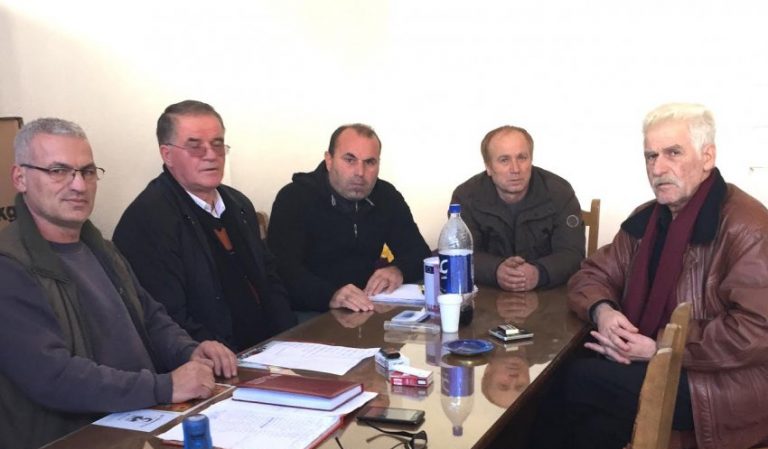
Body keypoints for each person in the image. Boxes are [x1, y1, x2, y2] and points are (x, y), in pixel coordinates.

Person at [506, 103, 768, 449]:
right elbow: (589, 276)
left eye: (673, 153)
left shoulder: (746, 225)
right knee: (594, 424)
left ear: (707, 157)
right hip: (658, 364)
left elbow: (756, 330)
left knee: (574, 380)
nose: (658, 167)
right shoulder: (649, 219)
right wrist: (604, 312)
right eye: (650, 155)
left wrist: (661, 347)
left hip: (724, 383)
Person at [0, 118, 237, 449]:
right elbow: (53, 376)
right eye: (58, 171)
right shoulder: (10, 266)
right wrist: (164, 386)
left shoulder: (101, 247)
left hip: (136, 431)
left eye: (87, 171)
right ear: (20, 178)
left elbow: (151, 317)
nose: (78, 185)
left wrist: (190, 351)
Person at [113, 100, 296, 352]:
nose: (211, 155)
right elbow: (165, 317)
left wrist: (290, 338)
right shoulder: (148, 219)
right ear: (167, 155)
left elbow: (270, 279)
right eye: (195, 146)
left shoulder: (239, 204)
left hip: (272, 349)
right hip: (211, 358)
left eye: (217, 144)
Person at [268, 123, 431, 313]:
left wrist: (398, 270)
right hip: (311, 311)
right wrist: (330, 295)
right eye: (350, 160)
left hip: (365, 307)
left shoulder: (386, 196)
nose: (360, 172)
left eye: (370, 162)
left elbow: (419, 253)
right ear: (329, 160)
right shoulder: (295, 198)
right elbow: (282, 271)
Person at [451, 125, 584, 292]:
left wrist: (539, 273)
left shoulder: (559, 192)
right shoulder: (465, 196)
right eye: (504, 160)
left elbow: (573, 254)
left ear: (531, 160)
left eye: (522, 158)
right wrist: (495, 270)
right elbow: (458, 253)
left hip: (548, 293)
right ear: (489, 167)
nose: (515, 169)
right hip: (486, 293)